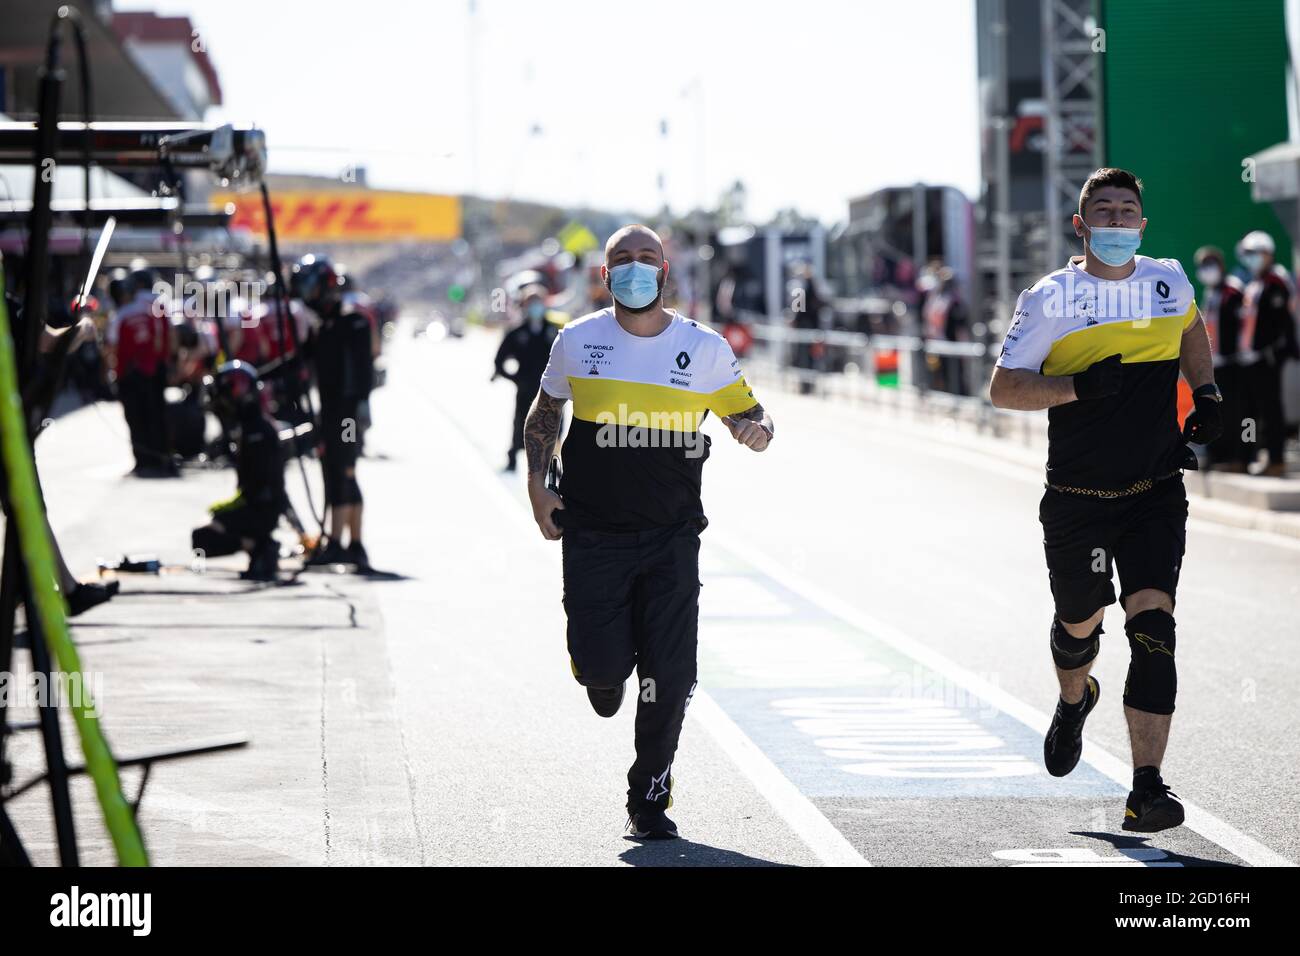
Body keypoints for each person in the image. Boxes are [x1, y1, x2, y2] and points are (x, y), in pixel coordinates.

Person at [989, 168, 1222, 833]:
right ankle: (1073, 700)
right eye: (1104, 211)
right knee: (1078, 627)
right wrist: (1075, 389)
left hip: (1154, 491)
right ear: (1081, 224)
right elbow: (1004, 388)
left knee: (1154, 633)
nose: (1117, 222)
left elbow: (1191, 331)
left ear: (1141, 225)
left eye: (1128, 212)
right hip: (1077, 498)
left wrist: (1204, 395)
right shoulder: (1050, 299)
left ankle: (1146, 787)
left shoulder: (1167, 279)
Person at [523, 224, 774, 840]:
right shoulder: (578, 341)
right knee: (605, 671)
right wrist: (537, 480)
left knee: (671, 672)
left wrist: (758, 428)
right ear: (605, 277)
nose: (635, 269)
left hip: (671, 537)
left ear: (665, 272)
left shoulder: (705, 348)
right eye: (622, 261)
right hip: (593, 534)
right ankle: (601, 673)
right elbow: (546, 410)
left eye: (647, 259)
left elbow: (751, 412)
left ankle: (650, 796)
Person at [294, 255, 373, 570]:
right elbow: (301, 362)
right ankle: (345, 543)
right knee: (335, 471)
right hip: (330, 413)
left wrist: (357, 409)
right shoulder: (323, 327)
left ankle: (344, 543)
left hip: (348, 416)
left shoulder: (352, 323)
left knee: (344, 470)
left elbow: (360, 373)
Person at [190, 362, 286, 581]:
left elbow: (254, 488)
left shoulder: (256, 432)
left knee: (202, 538)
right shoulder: (252, 427)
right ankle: (257, 545)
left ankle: (259, 546)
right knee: (212, 524)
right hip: (262, 506)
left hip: (262, 510)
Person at [1235, 230, 1297, 477]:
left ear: (1267, 254)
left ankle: (1276, 458)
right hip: (1250, 359)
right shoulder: (1255, 283)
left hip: (1267, 359)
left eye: (1254, 253)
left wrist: (1273, 352)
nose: (1249, 258)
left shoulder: (1276, 283)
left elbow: (1281, 324)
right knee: (1249, 412)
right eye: (1247, 254)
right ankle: (1248, 456)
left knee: (1271, 411)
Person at [105, 266, 175, 477]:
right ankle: (162, 457)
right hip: (155, 368)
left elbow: (112, 347)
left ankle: (144, 460)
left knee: (136, 417)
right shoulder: (158, 304)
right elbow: (167, 336)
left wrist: (110, 371)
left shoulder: (123, 314)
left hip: (131, 372)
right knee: (157, 414)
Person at [492, 284, 560, 472]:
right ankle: (513, 458)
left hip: (552, 390)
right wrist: (515, 378)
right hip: (525, 389)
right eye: (531, 302)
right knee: (521, 424)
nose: (535, 306)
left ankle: (554, 464)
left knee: (554, 428)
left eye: (539, 302)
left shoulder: (555, 332)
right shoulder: (516, 333)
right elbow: (499, 360)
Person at [1194, 246, 1248, 471]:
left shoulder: (1233, 292)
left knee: (1241, 412)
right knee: (1219, 411)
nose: (1207, 269)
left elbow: (1244, 327)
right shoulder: (1211, 292)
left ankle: (1243, 456)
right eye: (1203, 265)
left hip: (1235, 362)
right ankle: (1220, 456)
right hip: (1216, 364)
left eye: (1210, 263)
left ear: (1221, 265)